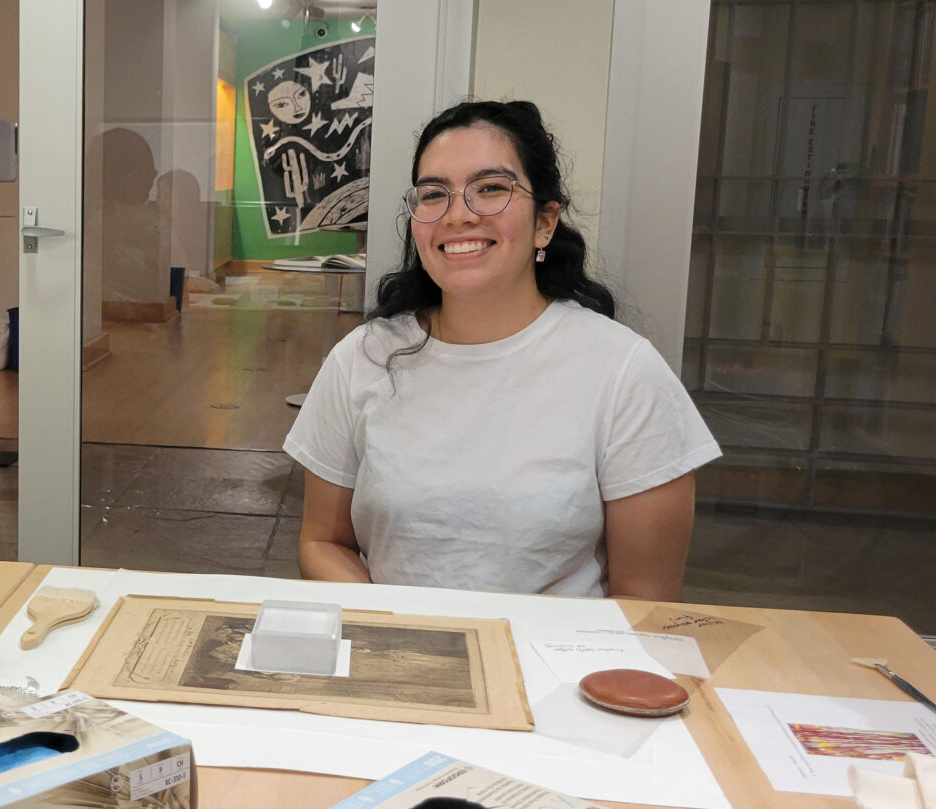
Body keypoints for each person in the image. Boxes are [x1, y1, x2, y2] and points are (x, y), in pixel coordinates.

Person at [287, 99, 719, 598]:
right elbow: (323, 541)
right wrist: (396, 627)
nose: (457, 216)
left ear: (545, 222)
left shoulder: (623, 371)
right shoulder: (363, 357)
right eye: (433, 194)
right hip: (399, 657)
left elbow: (644, 600)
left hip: (555, 669)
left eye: (490, 188)